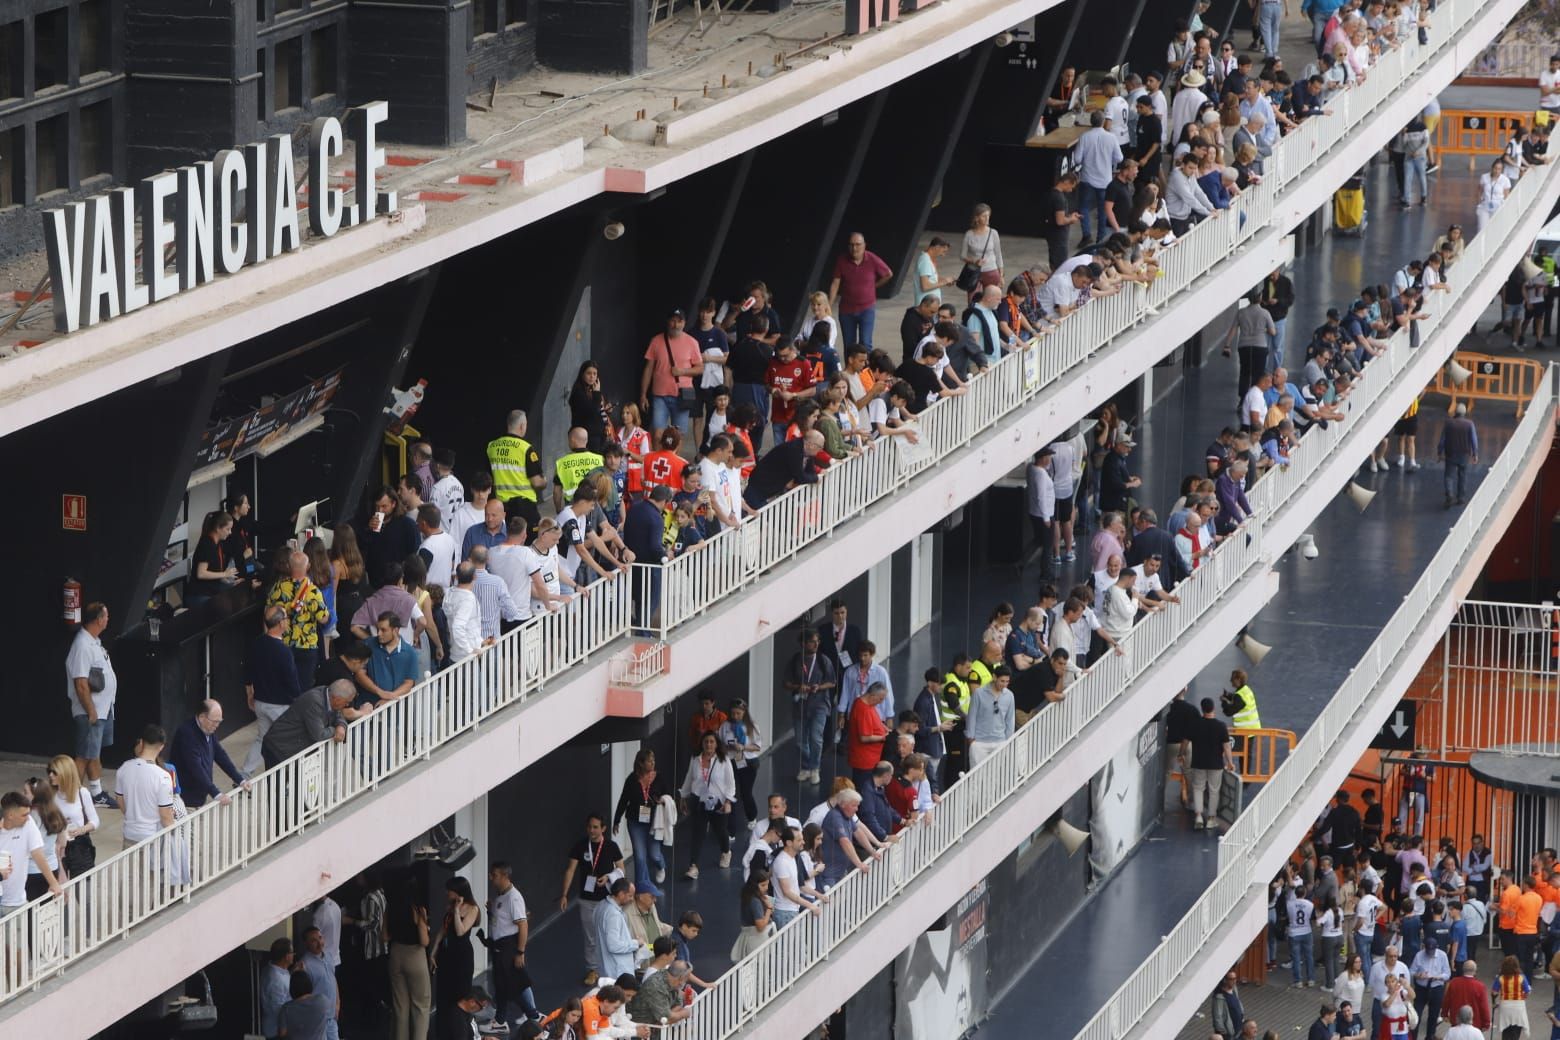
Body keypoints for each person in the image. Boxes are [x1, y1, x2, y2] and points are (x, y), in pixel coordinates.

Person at [559, 814, 625, 986]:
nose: (592, 830)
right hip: (587, 899)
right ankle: (593, 969)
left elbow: (621, 870)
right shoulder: (581, 846)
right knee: (590, 936)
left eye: (596, 827)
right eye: (589, 826)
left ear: (603, 828)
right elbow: (570, 870)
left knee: (609, 933)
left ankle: (611, 967)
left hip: (607, 899)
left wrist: (608, 877)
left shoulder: (611, 846)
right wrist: (564, 894)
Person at [66, 601, 117, 807]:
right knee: (84, 754)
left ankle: (96, 793)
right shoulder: (82, 646)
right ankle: (72, 797)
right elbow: (80, 683)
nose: (108, 620)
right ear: (98, 619)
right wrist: (91, 711)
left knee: (93, 752)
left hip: (103, 709)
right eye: (106, 616)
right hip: (91, 711)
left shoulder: (94, 641)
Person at [166, 699, 247, 809]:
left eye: (219, 721)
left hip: (199, 796)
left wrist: (240, 779)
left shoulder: (208, 729)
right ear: (202, 717)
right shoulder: (187, 734)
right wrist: (216, 794)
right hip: (186, 799)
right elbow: (195, 768)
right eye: (214, 721)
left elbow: (220, 755)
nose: (217, 725)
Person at [786, 630, 837, 784]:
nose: (816, 644)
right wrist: (798, 686)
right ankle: (806, 766)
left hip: (819, 704)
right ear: (803, 643)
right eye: (812, 642)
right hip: (800, 705)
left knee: (816, 738)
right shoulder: (796, 660)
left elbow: (832, 682)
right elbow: (786, 683)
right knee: (800, 741)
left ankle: (814, 768)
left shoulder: (823, 660)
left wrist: (819, 687)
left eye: (817, 641)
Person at [613, 749, 667, 890]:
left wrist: (662, 800)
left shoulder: (659, 778)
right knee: (640, 856)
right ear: (641, 763)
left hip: (654, 822)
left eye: (653, 759)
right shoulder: (632, 780)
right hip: (635, 822)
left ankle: (661, 866)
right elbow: (623, 800)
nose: (653, 762)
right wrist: (616, 820)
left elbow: (668, 795)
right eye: (649, 760)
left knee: (654, 855)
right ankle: (642, 887)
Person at [386, 879, 432, 1040]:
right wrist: (424, 922)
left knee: (400, 1006)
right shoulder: (417, 909)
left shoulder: (390, 909)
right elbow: (424, 941)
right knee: (420, 1005)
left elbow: (384, 937)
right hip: (415, 956)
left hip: (396, 954)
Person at [1189, 698, 1235, 831]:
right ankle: (1211, 819)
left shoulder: (1195, 724)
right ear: (1213, 708)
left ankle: (1198, 816)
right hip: (1216, 764)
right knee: (1214, 791)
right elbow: (1226, 747)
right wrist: (1230, 763)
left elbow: (1187, 740)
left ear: (1202, 709)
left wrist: (1181, 754)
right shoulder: (1221, 726)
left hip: (1198, 762)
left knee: (1198, 788)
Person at [1438, 403, 1479, 508]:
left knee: (1448, 476)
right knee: (1462, 476)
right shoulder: (1469, 424)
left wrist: (1440, 453)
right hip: (1464, 455)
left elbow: (1442, 440)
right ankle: (1460, 498)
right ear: (1464, 413)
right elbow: (1474, 440)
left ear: (1455, 412)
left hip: (1450, 453)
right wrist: (1475, 454)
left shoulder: (1448, 423)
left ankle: (1449, 495)